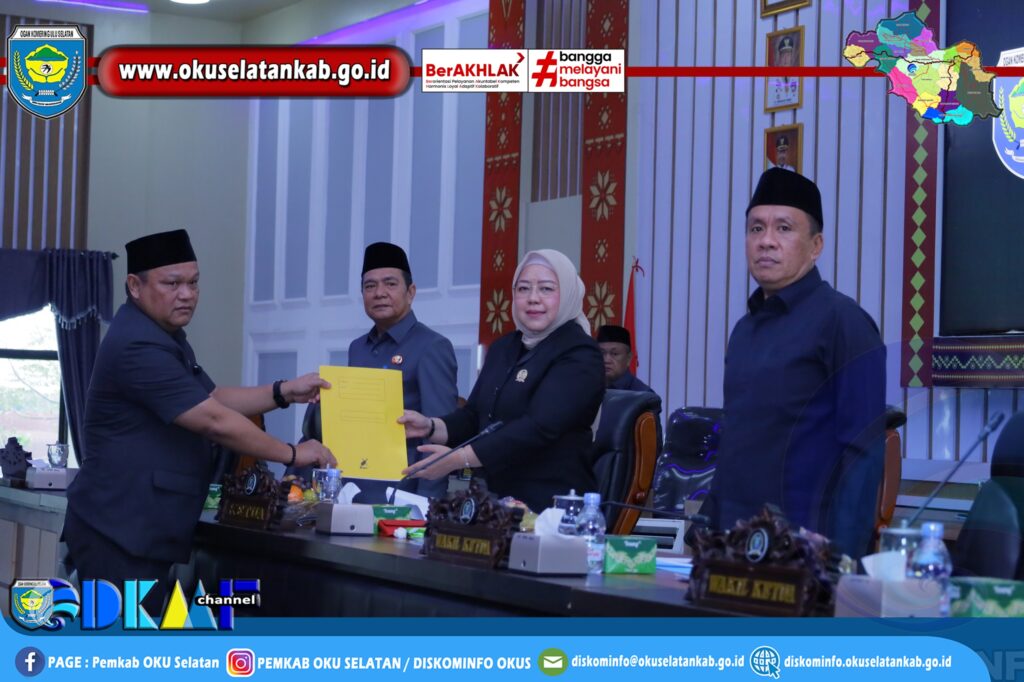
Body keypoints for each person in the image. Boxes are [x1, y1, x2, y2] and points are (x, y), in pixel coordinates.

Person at [64, 229, 335, 612]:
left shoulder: (163, 335)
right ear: (135, 286)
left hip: (136, 530)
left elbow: (212, 397)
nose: (187, 294)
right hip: (118, 533)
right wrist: (293, 453)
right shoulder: (137, 344)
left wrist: (284, 391)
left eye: (193, 283)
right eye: (172, 284)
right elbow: (213, 420)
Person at [705, 169, 885, 559]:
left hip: (803, 551)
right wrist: (705, 529)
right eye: (756, 228)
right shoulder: (744, 330)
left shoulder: (844, 322)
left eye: (784, 228)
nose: (766, 241)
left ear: (816, 245)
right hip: (733, 544)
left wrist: (839, 559)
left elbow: (863, 454)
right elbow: (735, 441)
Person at [399, 249, 604, 511]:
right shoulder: (504, 347)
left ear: (568, 295)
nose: (533, 298)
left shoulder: (581, 354)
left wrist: (460, 459)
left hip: (552, 506)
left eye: (546, 289)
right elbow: (475, 416)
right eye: (523, 288)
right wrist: (430, 426)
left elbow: (539, 427)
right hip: (495, 503)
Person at [301, 242, 458, 501]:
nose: (379, 293)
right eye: (370, 286)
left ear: (411, 292)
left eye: (390, 284)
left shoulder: (432, 346)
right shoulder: (357, 348)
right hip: (352, 486)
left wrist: (427, 506)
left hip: (402, 491)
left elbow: (440, 437)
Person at [596, 324, 654, 392]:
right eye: (602, 353)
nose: (606, 360)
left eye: (614, 354)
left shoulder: (642, 394)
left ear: (628, 358)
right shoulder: (588, 387)